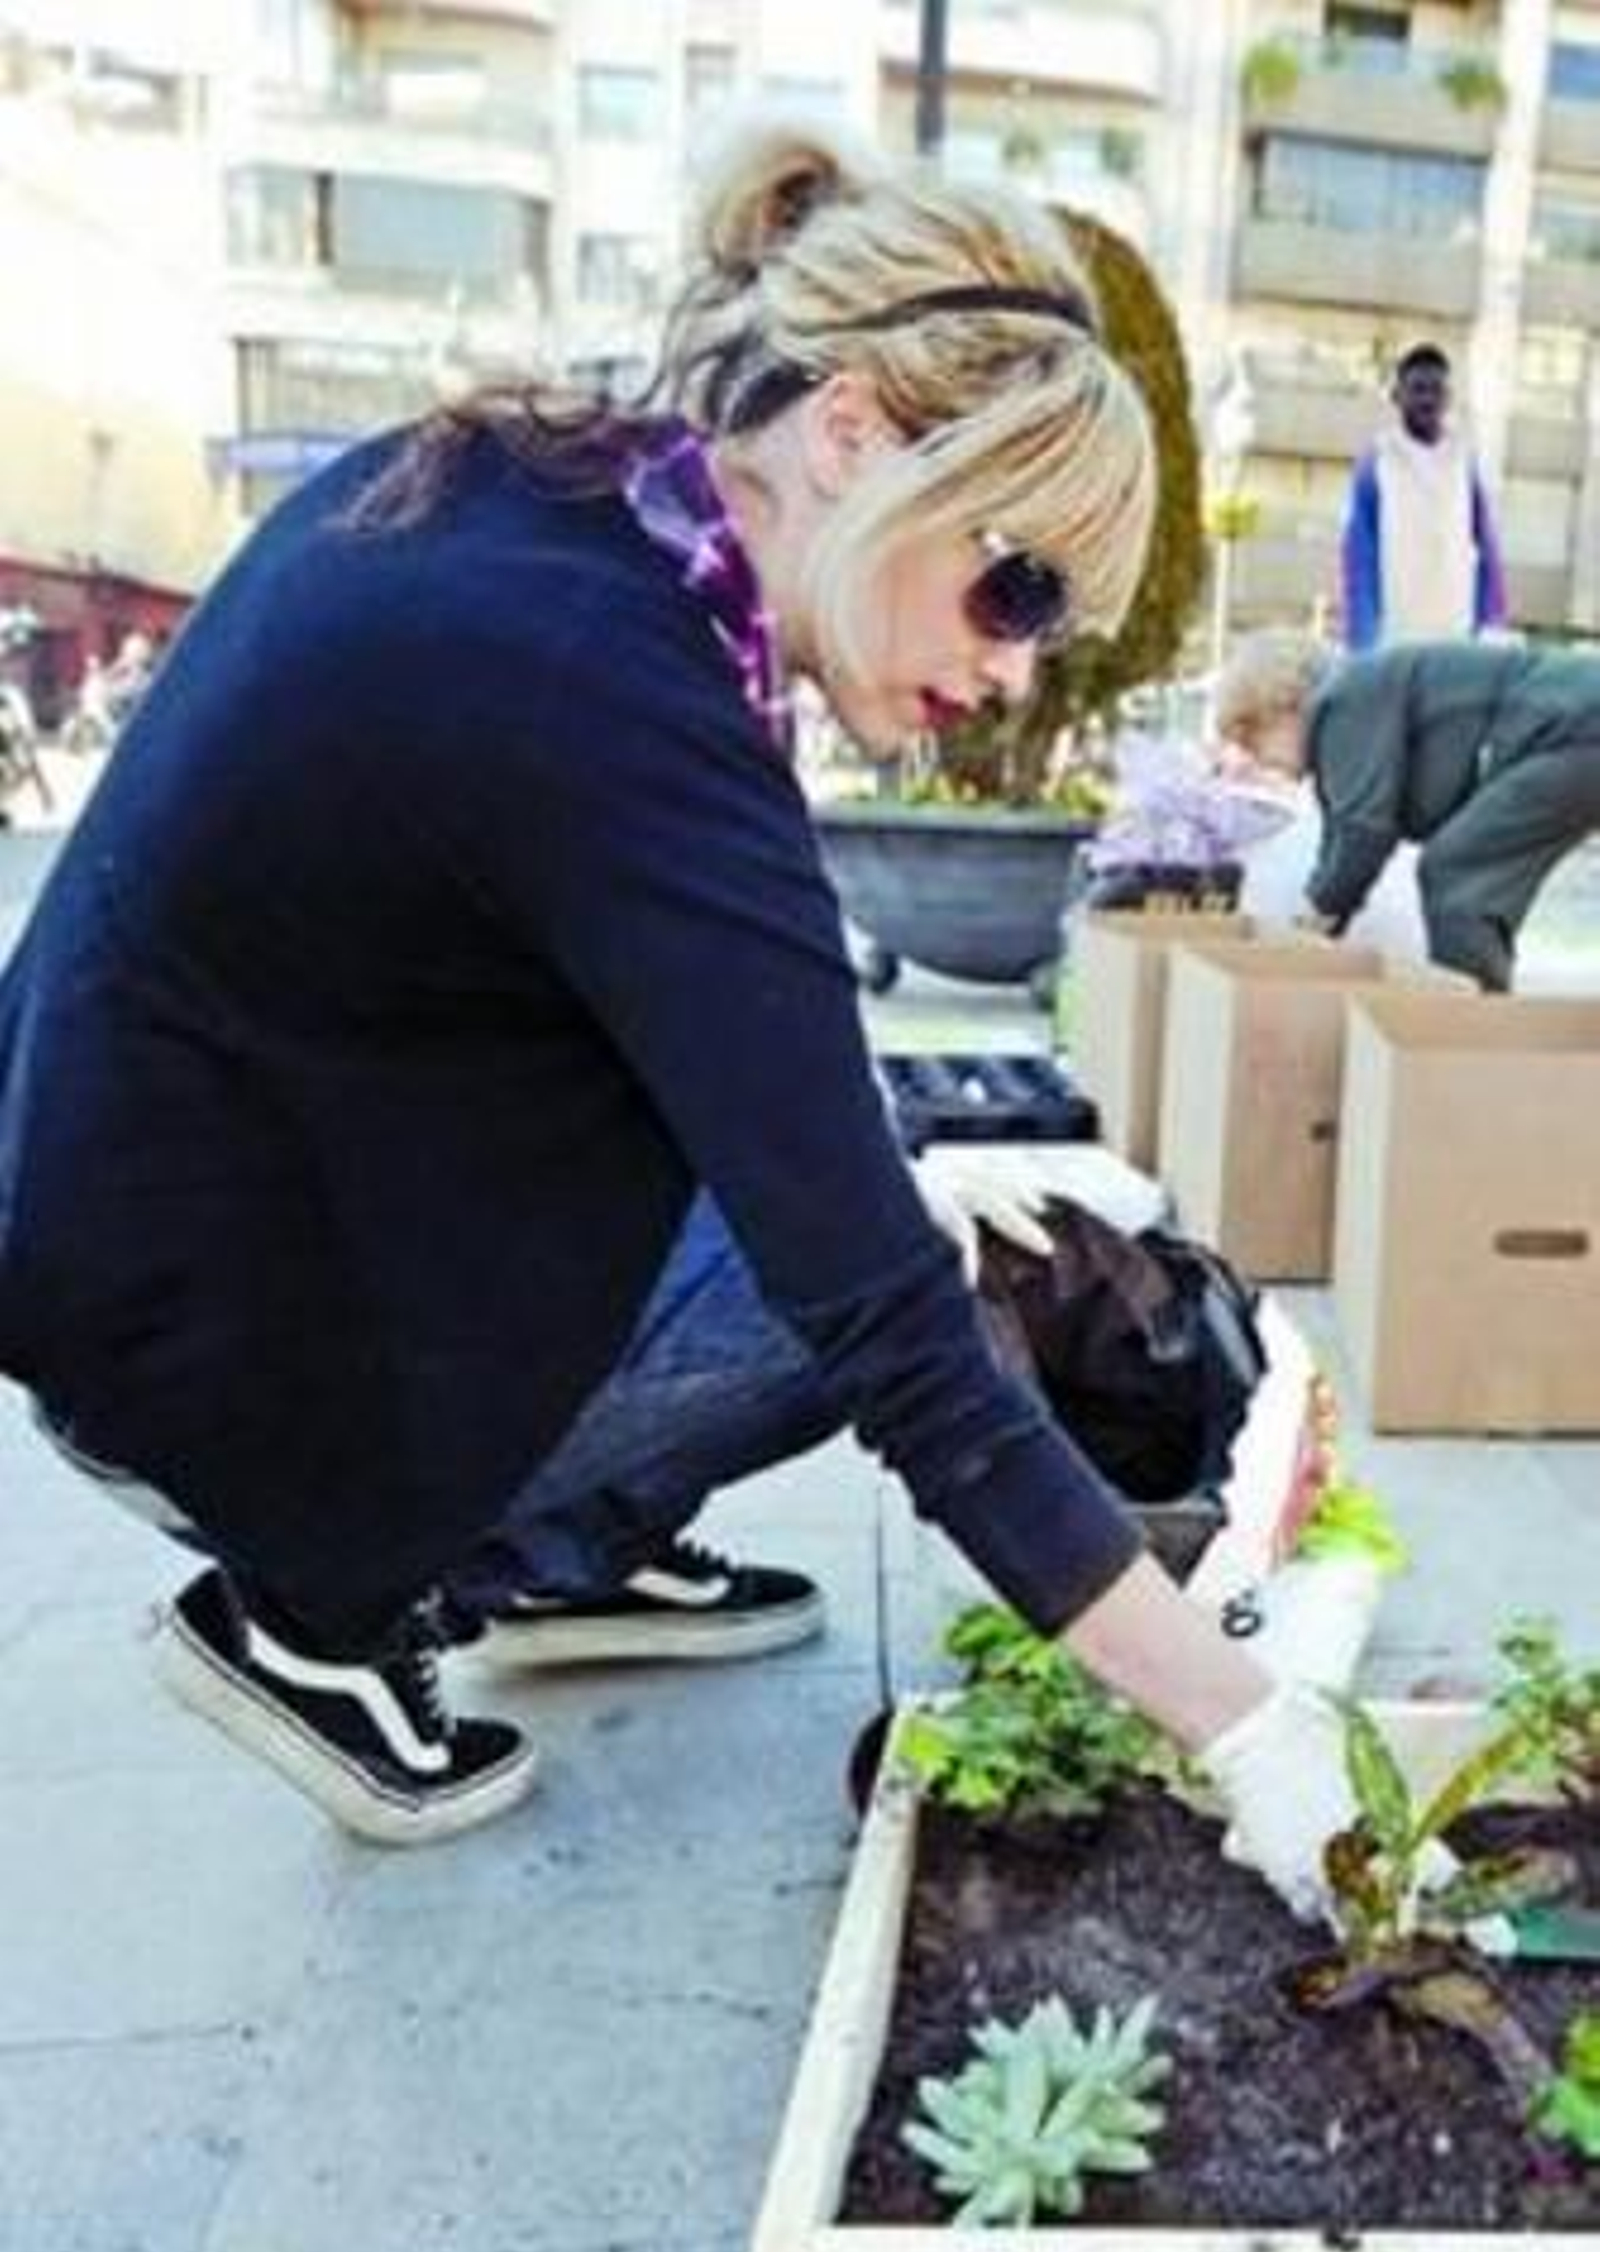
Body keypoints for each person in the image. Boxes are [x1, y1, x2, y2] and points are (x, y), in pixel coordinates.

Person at [0, 122, 1360, 1918]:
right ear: (854, 431)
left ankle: (566, 1548)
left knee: (856, 1188)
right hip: (200, 1355)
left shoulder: (556, 505)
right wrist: (1246, 1724)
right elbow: (889, 1336)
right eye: (1017, 585)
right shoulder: (617, 701)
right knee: (885, 1278)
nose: (1017, 664)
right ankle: (320, 1617)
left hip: (130, 1218)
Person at [1215, 629, 1600, 992]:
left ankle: (1472, 1034)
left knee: (1456, 873)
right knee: (1467, 880)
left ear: (1285, 704)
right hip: (1568, 730)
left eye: (1252, 738)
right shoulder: (1344, 733)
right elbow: (1337, 852)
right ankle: (1478, 1023)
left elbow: (1363, 834)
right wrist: (1313, 930)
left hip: (1571, 727)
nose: (1258, 761)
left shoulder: (1343, 701)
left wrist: (1312, 927)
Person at [1340, 342, 1507, 652]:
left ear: (1448, 398)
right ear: (1397, 396)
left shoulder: (1463, 460)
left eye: (1436, 389)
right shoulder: (1377, 461)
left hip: (1455, 636)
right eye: (1417, 389)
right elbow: (1358, 555)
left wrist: (1492, 621)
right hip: (1394, 638)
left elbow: (1487, 547)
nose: (1427, 399)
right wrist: (1362, 639)